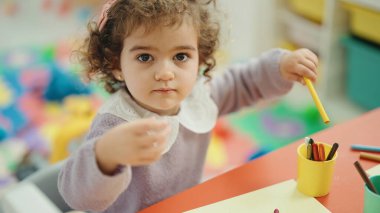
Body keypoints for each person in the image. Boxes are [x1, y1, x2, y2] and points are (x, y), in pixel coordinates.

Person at [58, 0, 319, 212]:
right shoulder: (114, 122)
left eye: (180, 56)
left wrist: (280, 67)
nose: (165, 73)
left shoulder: (198, 95)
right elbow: (78, 197)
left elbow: (243, 82)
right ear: (116, 65)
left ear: (200, 58)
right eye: (145, 57)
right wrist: (105, 155)